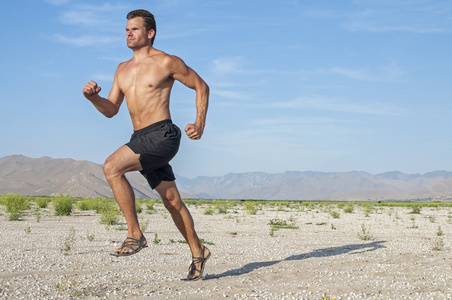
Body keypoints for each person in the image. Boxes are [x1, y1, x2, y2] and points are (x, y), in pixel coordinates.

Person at [82, 9, 210, 281]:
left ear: (149, 33)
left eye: (135, 29)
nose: (129, 33)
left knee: (111, 167)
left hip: (163, 134)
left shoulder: (166, 62)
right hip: (139, 138)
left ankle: (135, 234)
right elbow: (111, 110)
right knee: (172, 200)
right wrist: (94, 98)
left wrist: (199, 123)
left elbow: (201, 86)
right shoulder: (121, 69)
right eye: (126, 29)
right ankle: (199, 252)